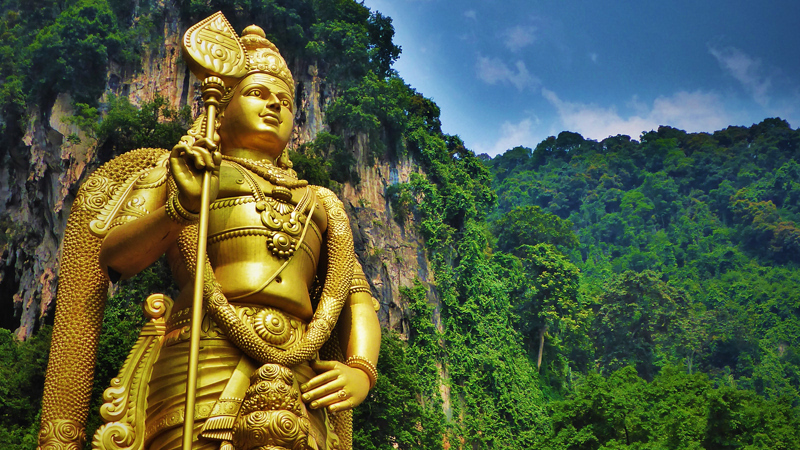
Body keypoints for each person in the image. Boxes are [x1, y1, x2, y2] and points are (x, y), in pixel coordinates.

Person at [38, 23, 380, 450]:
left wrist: (362, 369)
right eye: (258, 93)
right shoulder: (183, 169)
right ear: (224, 102)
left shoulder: (321, 202)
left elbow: (357, 299)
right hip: (202, 346)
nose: (275, 106)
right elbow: (117, 257)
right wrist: (181, 207)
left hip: (300, 368)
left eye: (287, 102)